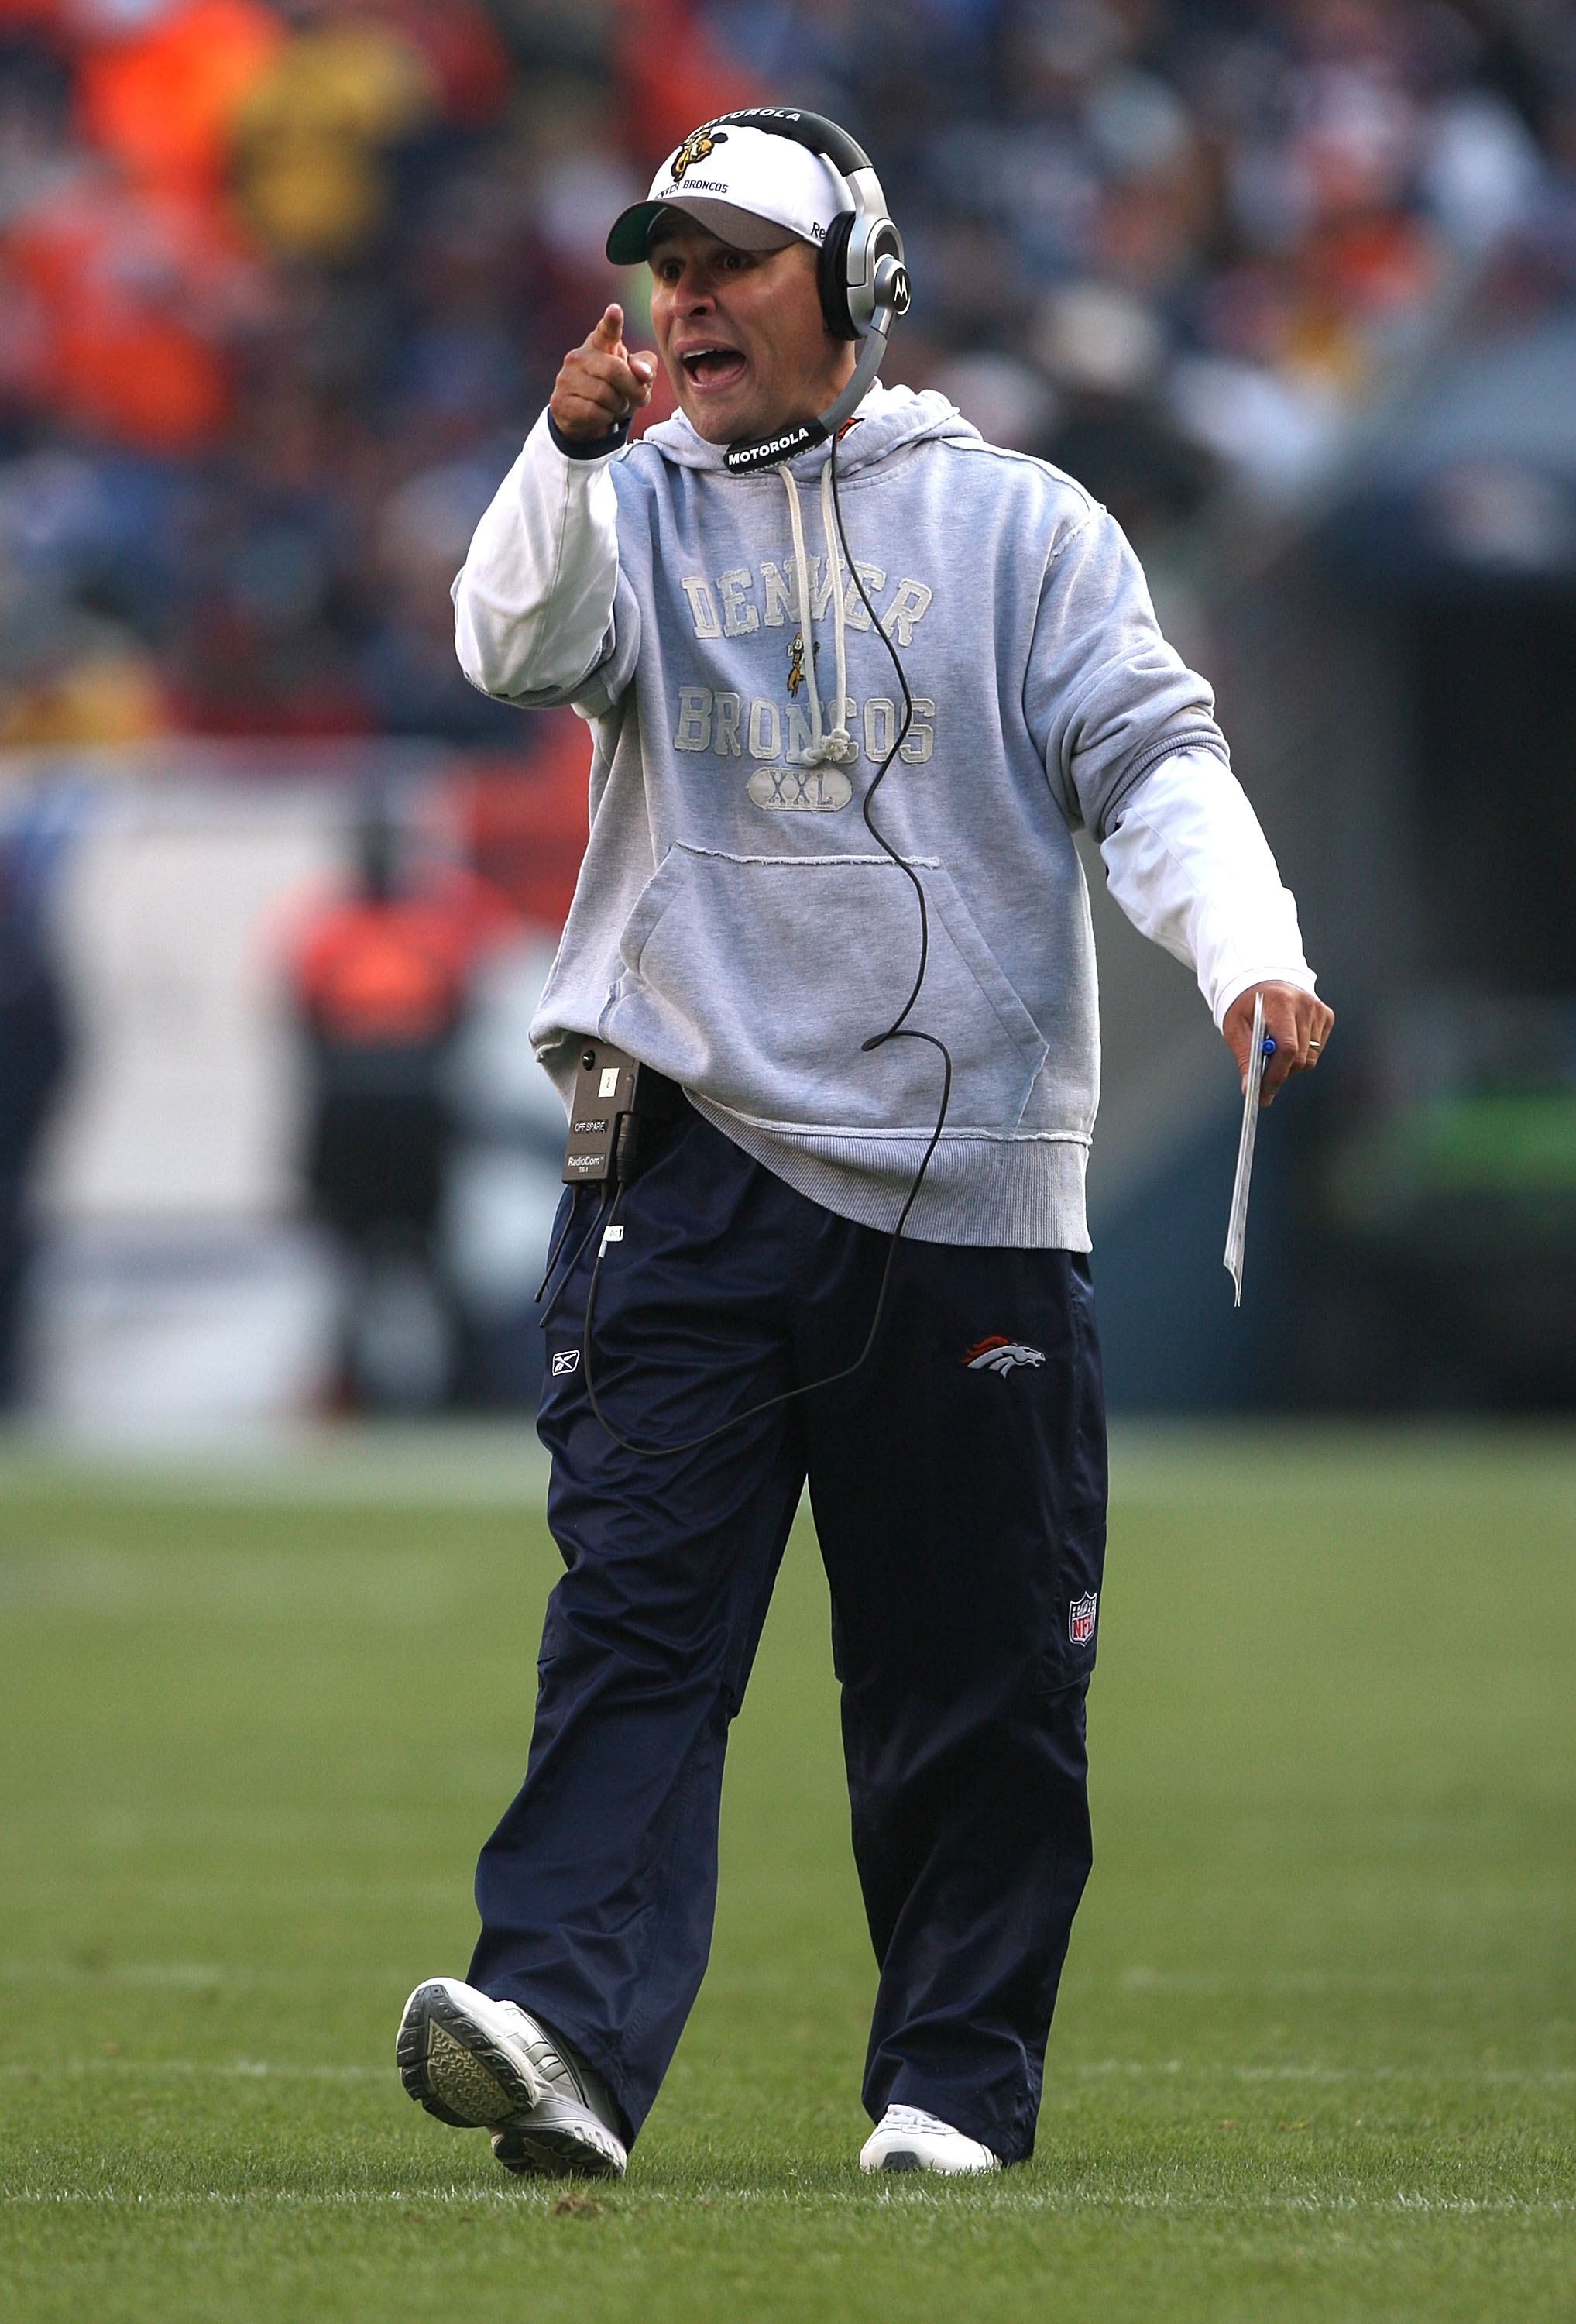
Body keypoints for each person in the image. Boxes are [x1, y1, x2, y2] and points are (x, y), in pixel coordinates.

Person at [396, 114, 1334, 2181]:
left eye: (737, 257)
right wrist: (557, 455)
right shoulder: (618, 502)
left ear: (859, 285)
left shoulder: (1025, 529)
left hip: (969, 1179)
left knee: (975, 1676)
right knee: (634, 1618)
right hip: (683, 1155)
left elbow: (1148, 755)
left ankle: (950, 2090)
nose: (692, 296)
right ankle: (555, 2023)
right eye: (670, 260)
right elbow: (508, 645)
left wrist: (1243, 946)